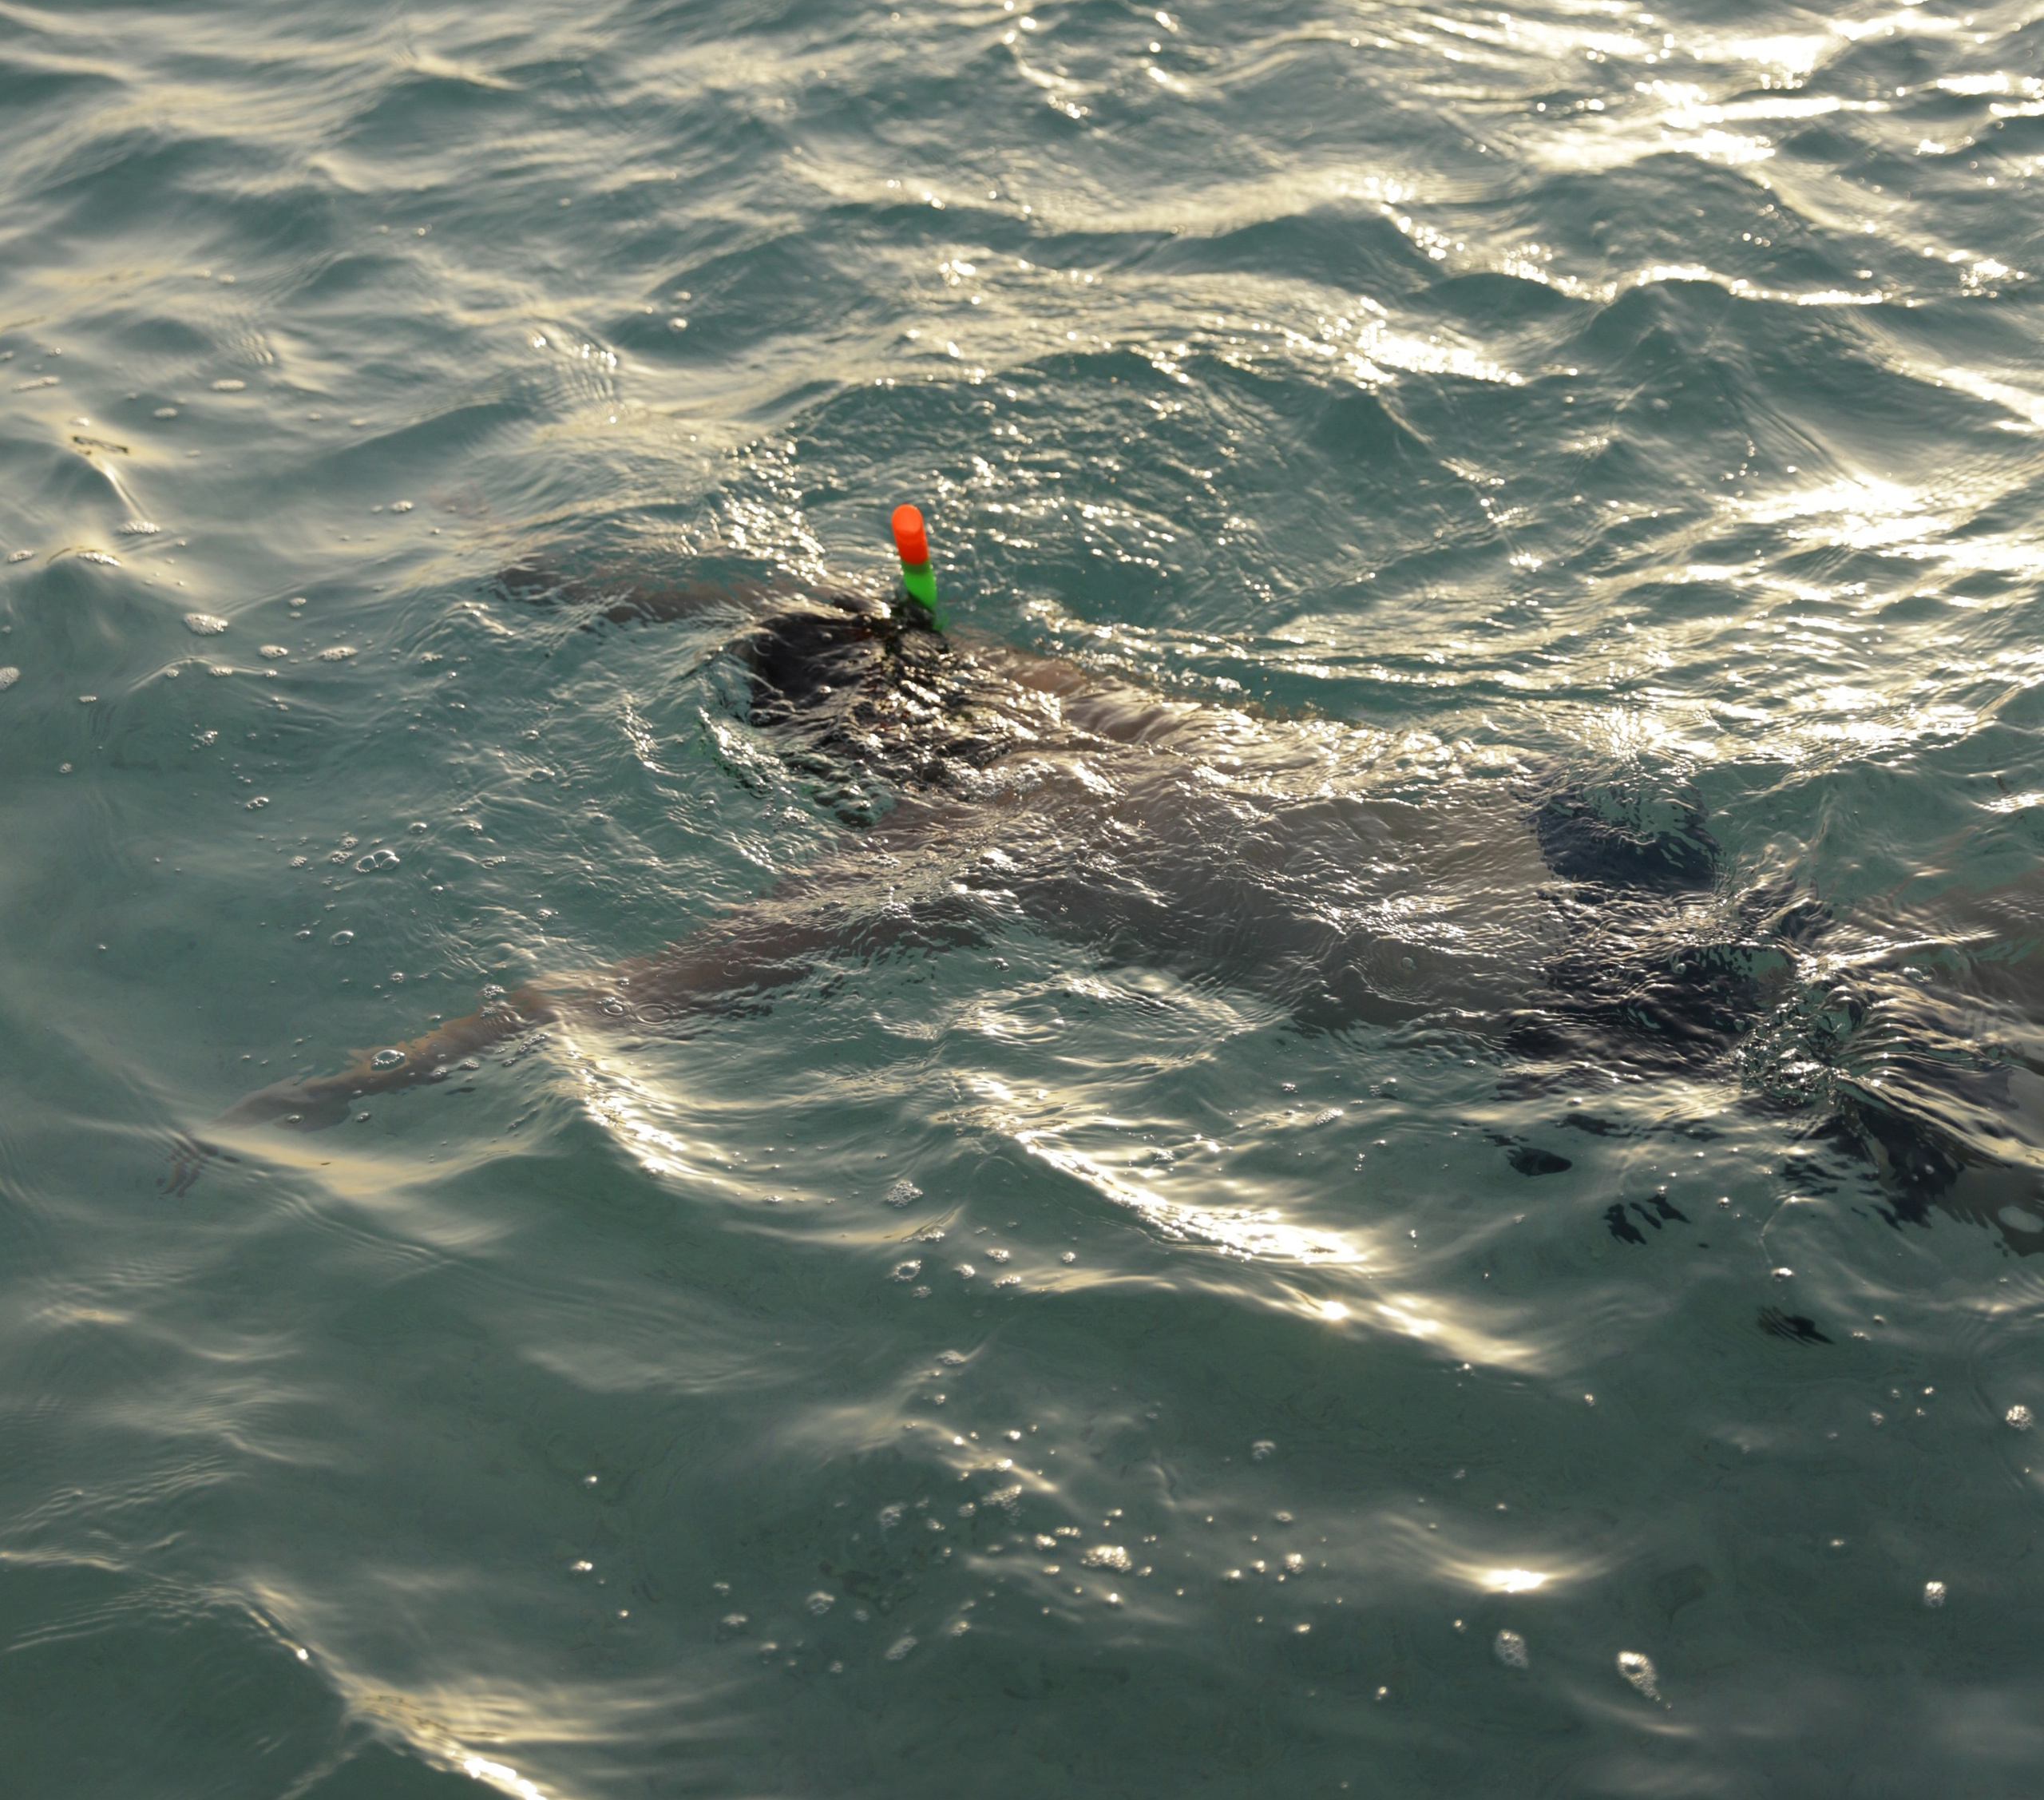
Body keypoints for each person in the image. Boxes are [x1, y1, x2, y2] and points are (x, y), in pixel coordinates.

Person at [176, 535, 2044, 1252]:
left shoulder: (964, 843)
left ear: (856, 769)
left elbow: (650, 990)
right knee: (1892, 937)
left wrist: (359, 1083)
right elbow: (850, 605)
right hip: (1578, 829)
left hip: (1547, 988)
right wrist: (597, 570)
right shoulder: (1060, 700)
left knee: (1941, 1148)